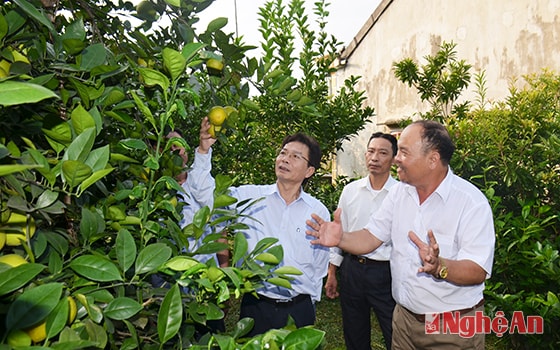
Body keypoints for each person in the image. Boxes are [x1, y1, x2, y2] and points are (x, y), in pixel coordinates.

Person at [306, 120, 495, 349]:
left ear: (433, 159)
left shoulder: (470, 202)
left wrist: (440, 266)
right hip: (404, 322)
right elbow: (371, 236)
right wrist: (341, 239)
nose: (396, 159)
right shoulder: (399, 193)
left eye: (404, 152)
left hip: (451, 328)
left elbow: (478, 270)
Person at [190, 116, 330, 337]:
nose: (285, 159)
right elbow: (206, 197)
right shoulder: (249, 197)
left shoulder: (318, 211)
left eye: (295, 156)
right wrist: (203, 151)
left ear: (309, 171)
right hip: (256, 307)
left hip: (299, 309)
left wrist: (309, 302)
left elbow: (319, 264)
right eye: (283, 153)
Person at [325, 132, 398, 350]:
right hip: (353, 269)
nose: (374, 157)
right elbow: (341, 233)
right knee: (354, 332)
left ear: (394, 159)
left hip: (387, 272)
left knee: (394, 331)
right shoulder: (350, 191)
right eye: (371, 151)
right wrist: (332, 272)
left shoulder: (401, 193)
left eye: (383, 153)